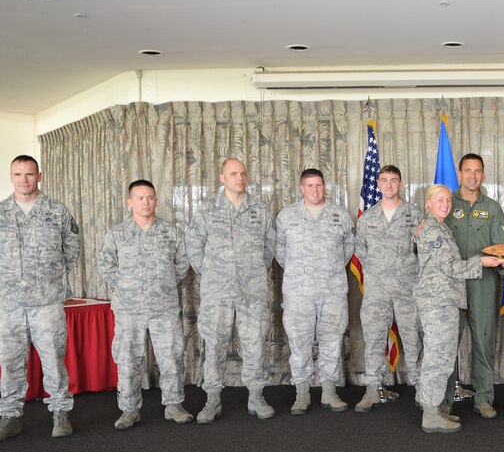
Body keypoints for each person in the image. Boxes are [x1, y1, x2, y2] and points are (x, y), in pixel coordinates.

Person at [97, 180, 193, 430]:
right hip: (129, 309)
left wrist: (164, 282)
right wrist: (128, 284)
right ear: (130, 202)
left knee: (171, 356)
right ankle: (129, 409)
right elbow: (106, 264)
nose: (146, 202)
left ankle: (174, 405)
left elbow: (182, 263)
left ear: (156, 201)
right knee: (128, 360)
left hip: (164, 307)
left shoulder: (171, 231)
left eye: (150, 197)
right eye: (140, 198)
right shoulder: (117, 233)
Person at [186, 158, 275, 423]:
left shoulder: (260, 209)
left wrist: (254, 269)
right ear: (222, 177)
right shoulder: (206, 209)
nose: (240, 178)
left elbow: (269, 247)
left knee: (255, 344)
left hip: (252, 290)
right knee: (214, 345)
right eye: (234, 173)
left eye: (244, 173)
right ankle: (212, 399)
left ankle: (256, 396)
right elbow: (193, 242)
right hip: (218, 292)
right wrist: (212, 272)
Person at [0, 155, 79, 441]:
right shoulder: (1, 213)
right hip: (9, 303)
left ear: (39, 176)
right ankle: (10, 415)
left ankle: (60, 413)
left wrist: (51, 279)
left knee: (53, 360)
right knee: (9, 363)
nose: (24, 179)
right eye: (18, 174)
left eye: (30, 174)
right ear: (11, 176)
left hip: (47, 301)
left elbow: (72, 250)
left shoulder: (57, 211)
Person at [416, 184, 502, 433]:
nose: (445, 203)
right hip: (438, 301)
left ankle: (434, 409)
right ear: (428, 203)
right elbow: (452, 267)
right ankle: (431, 414)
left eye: (447, 200)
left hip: (445, 300)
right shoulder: (433, 229)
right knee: (437, 359)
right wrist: (482, 262)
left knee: (441, 357)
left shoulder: (438, 226)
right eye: (439, 200)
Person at [275, 168, 354, 415]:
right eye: (309, 185)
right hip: (299, 292)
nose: (315, 190)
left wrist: (327, 271)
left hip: (332, 291)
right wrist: (302, 272)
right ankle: (302, 393)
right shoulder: (287, 216)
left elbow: (348, 249)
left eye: (319, 185)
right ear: (301, 188)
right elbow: (279, 251)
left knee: (332, 340)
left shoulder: (339, 215)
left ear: (324, 186)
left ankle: (329, 391)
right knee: (299, 343)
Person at [444, 153, 504, 419]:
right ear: (459, 174)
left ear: (483, 175)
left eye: (478, 171)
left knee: (483, 340)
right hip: (450, 285)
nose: (472, 176)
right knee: (448, 343)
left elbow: (503, 247)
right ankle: (445, 399)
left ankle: (483, 398)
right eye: (467, 171)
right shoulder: (445, 203)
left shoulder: (492, 208)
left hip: (483, 283)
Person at [353, 165, 423, 413]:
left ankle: (420, 389)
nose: (390, 185)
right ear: (378, 184)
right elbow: (360, 249)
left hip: (407, 290)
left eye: (394, 180)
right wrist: (380, 269)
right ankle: (372, 389)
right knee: (373, 340)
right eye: (385, 180)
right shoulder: (367, 218)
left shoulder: (414, 215)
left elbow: (421, 251)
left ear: (401, 184)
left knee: (413, 339)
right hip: (377, 291)